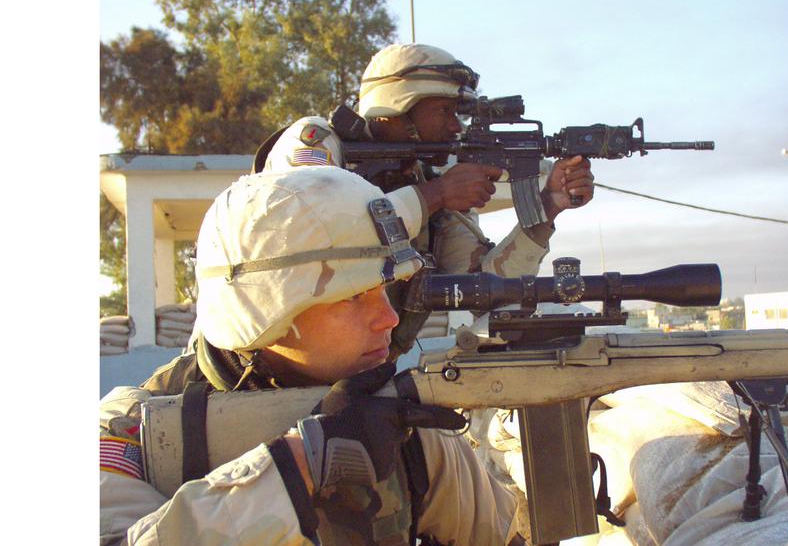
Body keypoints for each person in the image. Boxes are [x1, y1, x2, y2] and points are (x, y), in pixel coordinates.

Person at [99, 167, 525, 545]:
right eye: (356, 295)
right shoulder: (126, 428)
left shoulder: (407, 431)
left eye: (386, 291)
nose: (389, 318)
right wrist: (302, 464)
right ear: (268, 308)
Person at [254, 43, 595, 358]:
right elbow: (302, 234)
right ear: (399, 106)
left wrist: (548, 205)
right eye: (444, 111)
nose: (455, 127)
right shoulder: (317, 142)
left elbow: (488, 291)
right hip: (272, 366)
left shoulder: (428, 187)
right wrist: (435, 196)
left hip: (368, 372)